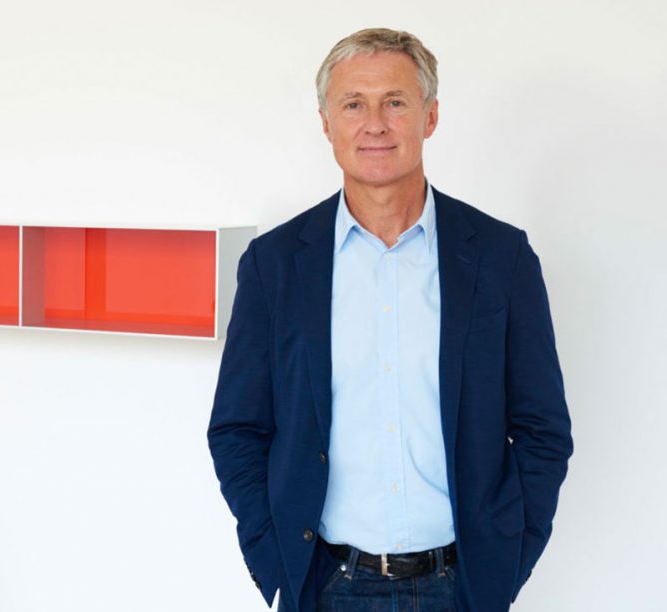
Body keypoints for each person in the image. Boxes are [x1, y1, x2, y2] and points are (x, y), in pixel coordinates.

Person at [206, 28, 572, 612]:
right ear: (327, 123)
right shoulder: (274, 265)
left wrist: (505, 561)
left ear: (430, 116)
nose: (374, 124)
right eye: (354, 104)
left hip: (461, 587)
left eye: (395, 102)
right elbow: (237, 429)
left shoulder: (500, 258)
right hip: (326, 586)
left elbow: (542, 429)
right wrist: (273, 555)